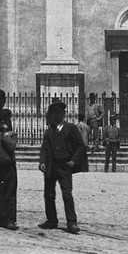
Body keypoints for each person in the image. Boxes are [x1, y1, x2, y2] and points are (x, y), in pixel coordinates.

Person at [38, 98, 85, 233]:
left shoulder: (71, 128)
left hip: (65, 166)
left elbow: (80, 146)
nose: (57, 115)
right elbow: (44, 148)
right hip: (51, 166)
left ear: (64, 114)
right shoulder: (49, 131)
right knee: (49, 194)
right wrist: (42, 162)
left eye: (60, 112)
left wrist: (74, 161)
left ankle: (71, 222)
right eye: (55, 112)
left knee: (67, 194)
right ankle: (51, 220)